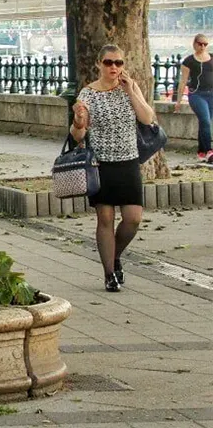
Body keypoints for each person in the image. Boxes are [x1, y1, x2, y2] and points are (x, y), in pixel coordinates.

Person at [70, 44, 154, 292]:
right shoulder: (88, 94)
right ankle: (109, 273)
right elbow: (77, 135)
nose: (114, 68)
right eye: (109, 63)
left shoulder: (129, 87)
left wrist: (131, 92)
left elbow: (148, 118)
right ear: (99, 64)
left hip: (128, 161)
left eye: (119, 63)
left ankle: (114, 255)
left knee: (133, 219)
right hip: (101, 163)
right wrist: (78, 121)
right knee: (105, 218)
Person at [173, 33, 213, 160]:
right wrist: (178, 101)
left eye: (205, 44)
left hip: (211, 94)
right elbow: (183, 81)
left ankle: (201, 152)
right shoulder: (189, 61)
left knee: (204, 123)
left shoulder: (212, 58)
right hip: (197, 95)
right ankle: (209, 151)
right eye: (200, 44)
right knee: (205, 121)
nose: (202, 46)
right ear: (194, 44)